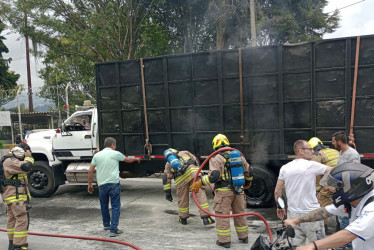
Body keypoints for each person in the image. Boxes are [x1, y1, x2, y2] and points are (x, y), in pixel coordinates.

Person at [284, 162, 374, 250]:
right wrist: (296, 221)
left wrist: (312, 246)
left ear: (353, 187)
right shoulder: (354, 201)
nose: (333, 190)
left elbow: (348, 235)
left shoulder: (371, 209)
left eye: (337, 188)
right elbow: (325, 212)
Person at [190, 134, 253, 248]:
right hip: (239, 191)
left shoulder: (216, 158)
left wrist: (200, 182)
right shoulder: (238, 156)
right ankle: (244, 237)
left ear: (215, 145)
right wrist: (248, 182)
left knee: (222, 215)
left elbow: (214, 176)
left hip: (224, 193)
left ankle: (224, 241)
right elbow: (249, 171)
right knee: (240, 213)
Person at [274, 140, 333, 247]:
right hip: (312, 215)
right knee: (319, 246)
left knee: (296, 247)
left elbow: (277, 191)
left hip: (293, 216)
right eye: (310, 149)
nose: (313, 152)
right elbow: (332, 171)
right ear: (301, 151)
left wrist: (280, 207)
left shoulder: (285, 168)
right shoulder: (312, 165)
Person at [87, 137, 140, 237]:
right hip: (113, 184)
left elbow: (90, 170)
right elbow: (128, 160)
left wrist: (89, 184)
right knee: (115, 206)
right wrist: (136, 159)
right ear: (112, 145)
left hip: (102, 185)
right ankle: (113, 230)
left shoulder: (97, 155)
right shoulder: (115, 154)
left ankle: (106, 225)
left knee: (104, 205)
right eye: (115, 145)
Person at [162, 148, 215, 225]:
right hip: (194, 174)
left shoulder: (168, 164)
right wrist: (200, 172)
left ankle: (183, 219)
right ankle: (206, 218)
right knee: (200, 195)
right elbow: (196, 161)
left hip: (181, 181)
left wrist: (168, 192)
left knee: (183, 198)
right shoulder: (185, 152)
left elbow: (166, 178)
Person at [1, 143, 34, 250]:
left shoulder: (7, 160)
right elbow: (26, 166)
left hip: (11, 197)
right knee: (21, 220)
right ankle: (19, 245)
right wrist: (29, 157)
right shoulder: (11, 161)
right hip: (16, 198)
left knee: (12, 220)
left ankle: (12, 243)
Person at [332, 131, 360, 244]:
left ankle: (349, 244)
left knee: (346, 217)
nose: (332, 143)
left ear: (339, 142)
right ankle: (345, 243)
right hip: (341, 190)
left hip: (349, 191)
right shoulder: (341, 152)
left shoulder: (352, 154)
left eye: (333, 141)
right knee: (342, 216)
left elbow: (355, 173)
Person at [308, 137, 339, 233]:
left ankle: (323, 227)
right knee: (340, 202)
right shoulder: (333, 151)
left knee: (321, 202)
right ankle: (340, 224)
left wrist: (317, 190)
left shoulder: (317, 155)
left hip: (332, 181)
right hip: (343, 181)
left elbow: (317, 175)